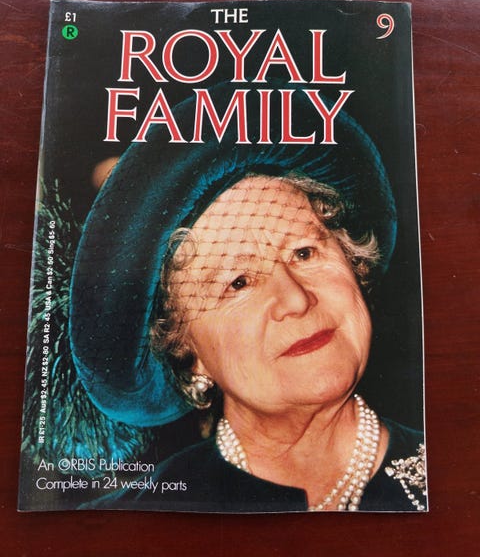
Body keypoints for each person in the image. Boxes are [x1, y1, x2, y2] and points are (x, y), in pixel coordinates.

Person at [70, 84, 426, 512]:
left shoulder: (456, 476)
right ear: (183, 347)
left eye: (304, 253)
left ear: (355, 262)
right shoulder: (129, 521)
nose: (295, 300)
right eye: (238, 282)